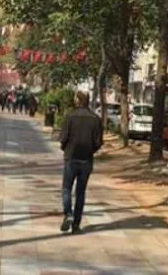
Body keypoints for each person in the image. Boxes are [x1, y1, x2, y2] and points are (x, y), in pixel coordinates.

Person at [60, 91, 103, 235]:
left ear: (78, 100)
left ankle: (68, 213)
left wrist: (66, 149)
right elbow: (98, 142)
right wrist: (90, 151)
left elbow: (63, 138)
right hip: (86, 160)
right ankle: (76, 225)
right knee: (80, 192)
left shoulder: (70, 116)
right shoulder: (95, 119)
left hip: (71, 157)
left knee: (66, 188)